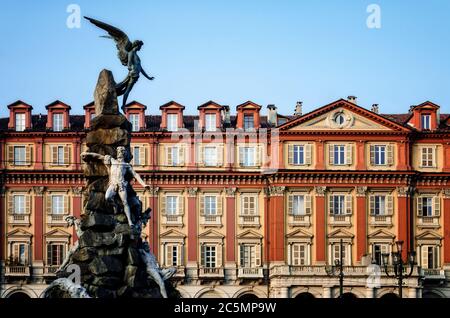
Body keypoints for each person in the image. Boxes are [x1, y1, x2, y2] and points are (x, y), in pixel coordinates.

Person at [81, 146, 150, 227]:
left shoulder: (126, 165)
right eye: (118, 152)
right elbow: (98, 156)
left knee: (125, 202)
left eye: (121, 152)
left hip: (121, 185)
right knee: (107, 197)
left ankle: (129, 221)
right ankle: (115, 206)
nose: (119, 153)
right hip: (113, 184)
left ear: (124, 154)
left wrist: (144, 184)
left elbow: (135, 175)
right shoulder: (112, 160)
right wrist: (87, 154)